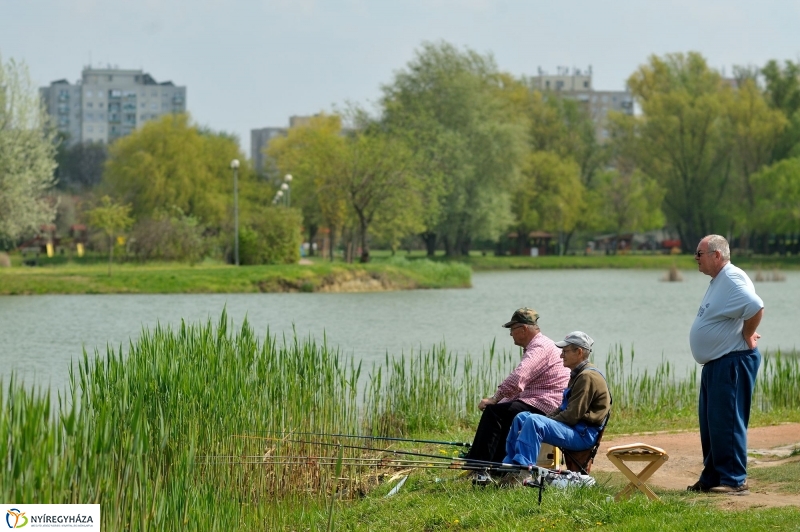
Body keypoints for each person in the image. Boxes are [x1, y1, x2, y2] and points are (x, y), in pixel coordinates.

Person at [687, 235, 764, 495]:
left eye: (699, 253)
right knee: (712, 424)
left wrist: (747, 334)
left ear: (716, 255)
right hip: (717, 362)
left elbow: (755, 306)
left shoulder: (731, 278)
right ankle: (712, 476)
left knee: (727, 423)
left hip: (732, 361)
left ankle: (733, 480)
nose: (695, 258)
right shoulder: (719, 280)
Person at [464, 308, 570, 465]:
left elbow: (518, 377)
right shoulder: (541, 344)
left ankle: (479, 464)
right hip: (540, 399)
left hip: (546, 403)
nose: (510, 334)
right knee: (501, 409)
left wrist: (494, 399)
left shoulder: (539, 348)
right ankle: (497, 463)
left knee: (494, 413)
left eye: (512, 329)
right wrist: (500, 400)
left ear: (524, 329)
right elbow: (520, 386)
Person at [503, 331, 611, 472]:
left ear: (579, 352)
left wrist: (543, 421)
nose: (561, 356)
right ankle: (509, 466)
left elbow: (571, 416)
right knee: (522, 417)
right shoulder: (578, 374)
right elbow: (563, 408)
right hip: (575, 430)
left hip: (583, 435)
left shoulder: (587, 377)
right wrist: (546, 419)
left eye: (565, 351)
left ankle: (524, 471)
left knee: (534, 421)